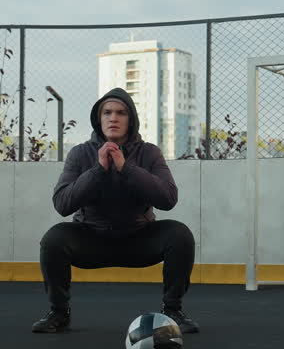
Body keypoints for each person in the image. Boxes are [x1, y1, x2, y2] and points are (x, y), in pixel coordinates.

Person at [32, 87, 199, 334]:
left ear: (130, 119)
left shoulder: (149, 152)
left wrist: (126, 167)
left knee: (180, 235)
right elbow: (62, 204)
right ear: (99, 119)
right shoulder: (80, 153)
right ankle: (59, 312)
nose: (113, 118)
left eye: (121, 112)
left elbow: (168, 198)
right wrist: (99, 169)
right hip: (92, 239)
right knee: (54, 239)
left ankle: (172, 310)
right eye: (107, 112)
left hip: (138, 238)